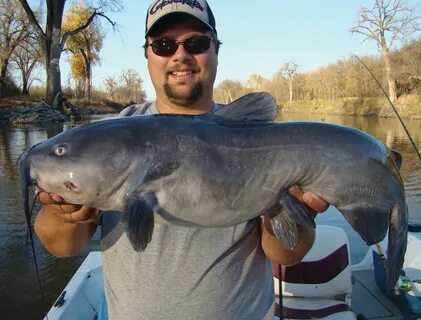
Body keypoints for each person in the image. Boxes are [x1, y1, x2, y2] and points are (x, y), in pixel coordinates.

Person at [35, 1, 328, 319]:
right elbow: (62, 246)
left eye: (196, 43)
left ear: (216, 49)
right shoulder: (104, 140)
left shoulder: (259, 138)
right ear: (147, 54)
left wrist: (294, 211)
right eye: (163, 45)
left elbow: (286, 254)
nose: (180, 56)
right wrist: (66, 213)